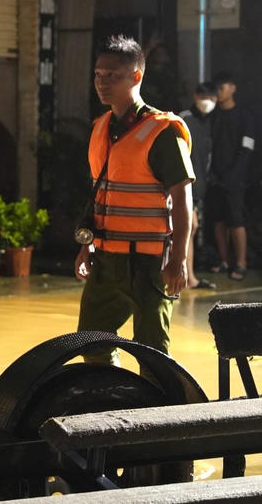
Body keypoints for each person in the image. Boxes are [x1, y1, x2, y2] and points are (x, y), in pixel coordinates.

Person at [75, 35, 193, 364]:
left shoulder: (162, 132)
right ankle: (111, 404)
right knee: (91, 342)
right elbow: (101, 196)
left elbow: (183, 199)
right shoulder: (100, 128)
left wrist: (178, 259)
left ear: (136, 77)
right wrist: (88, 244)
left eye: (112, 76)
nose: (102, 82)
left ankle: (156, 413)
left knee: (153, 352)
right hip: (108, 260)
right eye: (98, 75)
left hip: (150, 263)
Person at [206, 71, 256, 281]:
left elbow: (247, 148)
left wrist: (235, 174)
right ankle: (224, 259)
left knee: (236, 219)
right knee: (218, 219)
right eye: (217, 87)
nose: (220, 91)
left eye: (223, 87)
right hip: (215, 176)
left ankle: (241, 262)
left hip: (235, 177)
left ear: (233, 88)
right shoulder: (213, 116)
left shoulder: (244, 116)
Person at [177, 82, 217, 290]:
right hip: (183, 184)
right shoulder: (184, 119)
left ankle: (188, 276)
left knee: (189, 229)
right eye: (204, 97)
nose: (207, 102)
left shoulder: (209, 123)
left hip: (197, 186)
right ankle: (184, 276)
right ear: (196, 97)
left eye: (211, 98)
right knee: (188, 228)